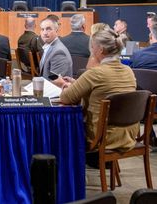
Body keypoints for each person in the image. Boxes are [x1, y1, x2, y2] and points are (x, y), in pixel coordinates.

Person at [59, 27, 139, 166]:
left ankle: (68, 173)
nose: (91, 50)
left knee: (61, 129)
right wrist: (77, 83)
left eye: (92, 46)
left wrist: (66, 86)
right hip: (128, 134)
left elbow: (66, 98)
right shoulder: (129, 71)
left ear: (100, 49)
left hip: (102, 136)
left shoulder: (94, 73)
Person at [38, 15, 73, 85]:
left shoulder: (58, 52)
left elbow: (56, 83)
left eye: (48, 29)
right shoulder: (49, 46)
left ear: (56, 30)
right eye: (42, 29)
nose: (45, 33)